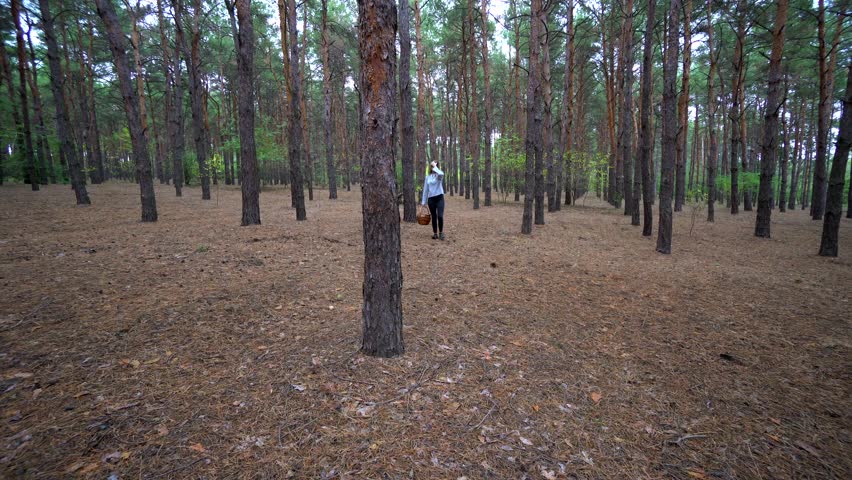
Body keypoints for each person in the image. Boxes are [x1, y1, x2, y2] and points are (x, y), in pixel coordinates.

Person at [421, 161, 445, 240]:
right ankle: (435, 233)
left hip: (440, 198)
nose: (433, 168)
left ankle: (441, 233)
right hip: (431, 199)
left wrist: (435, 165)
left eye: (435, 166)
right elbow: (425, 190)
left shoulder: (439, 176)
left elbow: (441, 173)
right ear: (430, 167)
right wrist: (423, 202)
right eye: (432, 166)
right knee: (434, 217)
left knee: (440, 216)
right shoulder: (427, 177)